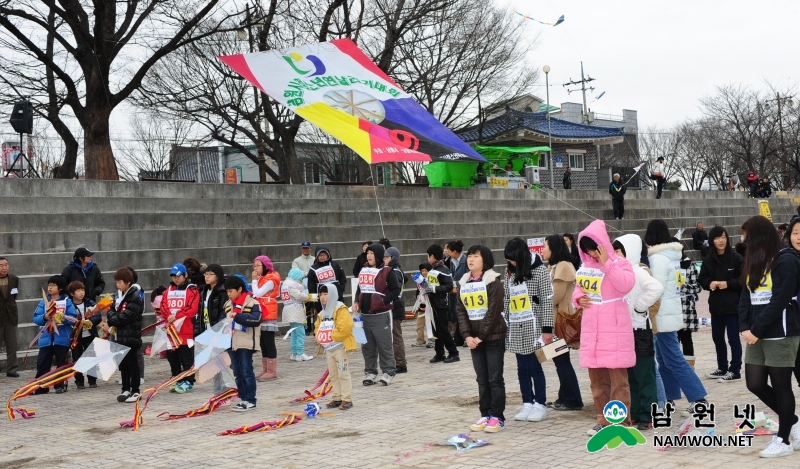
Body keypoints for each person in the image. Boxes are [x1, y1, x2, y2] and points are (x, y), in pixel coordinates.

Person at [737, 215, 800, 457]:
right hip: (756, 334)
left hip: (781, 333)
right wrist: (745, 326)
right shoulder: (754, 259)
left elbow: (780, 300)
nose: (745, 240)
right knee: (754, 383)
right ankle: (792, 420)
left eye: (747, 236)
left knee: (782, 385)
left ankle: (783, 440)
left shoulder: (786, 260)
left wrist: (756, 329)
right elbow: (745, 296)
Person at [573, 220, 635, 435]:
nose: (591, 252)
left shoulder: (620, 263)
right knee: (597, 381)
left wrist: (607, 263)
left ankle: (620, 422)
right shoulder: (586, 268)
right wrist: (578, 299)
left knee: (618, 380)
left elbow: (626, 285)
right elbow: (578, 289)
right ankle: (602, 418)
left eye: (593, 247)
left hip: (614, 327)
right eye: (586, 249)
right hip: (592, 328)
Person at [645, 219, 708, 417]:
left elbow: (655, 289)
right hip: (669, 311)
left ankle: (699, 400)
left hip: (662, 314)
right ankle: (669, 398)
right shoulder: (670, 256)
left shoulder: (657, 259)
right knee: (665, 360)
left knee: (674, 359)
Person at [613, 235, 664, 431]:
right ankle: (634, 412)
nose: (616, 255)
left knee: (645, 375)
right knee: (631, 375)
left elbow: (656, 288)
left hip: (640, 331)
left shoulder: (638, 271)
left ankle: (647, 414)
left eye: (619, 251)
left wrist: (640, 308)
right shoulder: (619, 272)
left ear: (630, 251)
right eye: (615, 251)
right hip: (624, 331)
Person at [502, 238, 554, 424]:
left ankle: (540, 403)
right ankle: (527, 402)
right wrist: (505, 321)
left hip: (535, 326)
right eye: (509, 260)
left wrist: (547, 329)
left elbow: (547, 300)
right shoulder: (509, 272)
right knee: (521, 368)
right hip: (516, 325)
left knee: (534, 366)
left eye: (514, 259)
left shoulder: (540, 271)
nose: (512, 263)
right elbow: (507, 297)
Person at [457, 245, 507, 433]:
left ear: (484, 260)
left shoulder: (493, 281)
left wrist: (480, 336)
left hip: (493, 337)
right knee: (482, 379)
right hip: (473, 339)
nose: (470, 259)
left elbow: (493, 312)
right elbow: (461, 312)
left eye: (475, 256)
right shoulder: (463, 282)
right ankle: (485, 414)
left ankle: (497, 416)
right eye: (469, 256)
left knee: (495, 378)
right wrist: (467, 336)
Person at [541, 235, 584, 412]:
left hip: (560, 322)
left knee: (562, 361)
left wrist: (538, 300)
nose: (542, 250)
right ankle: (564, 396)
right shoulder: (555, 266)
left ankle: (573, 399)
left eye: (545, 247)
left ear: (554, 248)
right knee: (560, 361)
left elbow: (554, 296)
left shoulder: (564, 266)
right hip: (553, 321)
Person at [698, 226, 744, 382]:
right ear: (712, 241)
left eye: (723, 237)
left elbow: (744, 280)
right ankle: (722, 367)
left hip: (733, 306)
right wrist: (710, 284)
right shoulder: (708, 260)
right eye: (717, 238)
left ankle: (735, 369)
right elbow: (702, 280)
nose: (721, 241)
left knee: (733, 339)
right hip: (716, 306)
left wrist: (728, 284)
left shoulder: (737, 258)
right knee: (717, 338)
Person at [353, 243, 400, 385]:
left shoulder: (387, 271)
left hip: (381, 314)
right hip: (365, 316)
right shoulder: (364, 270)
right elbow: (359, 289)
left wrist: (384, 300)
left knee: (384, 345)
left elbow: (395, 290)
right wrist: (356, 301)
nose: (369, 256)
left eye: (372, 253)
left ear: (379, 255)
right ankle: (370, 373)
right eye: (368, 253)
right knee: (367, 346)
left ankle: (388, 372)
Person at [224, 275, 263, 412]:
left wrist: (238, 317)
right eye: (227, 292)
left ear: (239, 289)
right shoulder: (228, 305)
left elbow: (256, 319)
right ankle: (242, 398)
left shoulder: (252, 303)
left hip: (245, 343)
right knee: (237, 372)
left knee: (247, 372)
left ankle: (251, 400)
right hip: (231, 343)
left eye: (231, 291)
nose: (229, 294)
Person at [32, 276, 77, 394]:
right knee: (42, 362)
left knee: (61, 363)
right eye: (49, 285)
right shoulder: (43, 301)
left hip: (61, 338)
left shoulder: (67, 301)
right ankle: (42, 386)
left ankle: (59, 385)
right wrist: (44, 317)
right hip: (46, 338)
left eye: (53, 285)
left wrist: (61, 319)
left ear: (60, 288)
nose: (50, 287)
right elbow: (35, 318)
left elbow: (73, 318)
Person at [105, 268, 143, 403]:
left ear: (128, 282)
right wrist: (113, 317)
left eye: (120, 282)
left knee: (133, 364)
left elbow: (126, 316)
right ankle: (125, 389)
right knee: (123, 364)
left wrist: (113, 318)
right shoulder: (117, 296)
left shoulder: (134, 297)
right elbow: (110, 311)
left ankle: (136, 390)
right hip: (119, 336)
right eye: (116, 282)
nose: (118, 285)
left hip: (131, 335)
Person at [315, 284, 356, 410]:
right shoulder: (322, 313)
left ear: (332, 294)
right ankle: (337, 397)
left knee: (343, 373)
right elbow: (317, 327)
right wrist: (320, 337)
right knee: (333, 375)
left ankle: (347, 399)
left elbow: (346, 326)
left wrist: (332, 336)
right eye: (321, 294)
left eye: (325, 294)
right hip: (329, 349)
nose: (322, 297)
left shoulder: (340, 309)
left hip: (340, 347)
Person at [160, 263, 200, 393]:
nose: (176, 279)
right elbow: (163, 306)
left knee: (187, 357)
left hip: (186, 330)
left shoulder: (192, 290)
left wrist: (176, 316)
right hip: (172, 330)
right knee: (173, 356)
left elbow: (191, 309)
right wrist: (169, 316)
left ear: (185, 275)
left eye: (178, 276)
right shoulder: (168, 290)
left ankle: (188, 381)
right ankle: (177, 378)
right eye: (173, 276)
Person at [193, 263, 230, 395]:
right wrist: (198, 332)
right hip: (207, 332)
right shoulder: (204, 291)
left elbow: (224, 314)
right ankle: (218, 391)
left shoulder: (223, 292)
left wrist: (218, 331)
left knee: (222, 363)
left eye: (210, 274)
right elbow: (200, 313)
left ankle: (224, 392)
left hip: (219, 333)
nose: (207, 277)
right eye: (206, 274)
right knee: (213, 364)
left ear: (218, 276)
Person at [425, 244, 460, 364]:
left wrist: (434, 289)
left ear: (432, 256)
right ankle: (439, 353)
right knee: (436, 330)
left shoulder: (444, 270)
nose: (427, 258)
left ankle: (454, 352)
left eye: (428, 256)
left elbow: (449, 286)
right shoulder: (433, 270)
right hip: (433, 304)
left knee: (443, 330)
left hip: (442, 304)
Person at [251, 255, 281, 381]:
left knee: (269, 342)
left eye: (258, 265)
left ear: (265, 266)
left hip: (268, 312)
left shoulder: (270, 279)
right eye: (254, 265)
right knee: (262, 342)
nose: (255, 268)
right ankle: (265, 369)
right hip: (262, 311)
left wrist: (253, 280)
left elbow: (257, 293)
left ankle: (272, 371)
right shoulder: (262, 278)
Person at [307, 245, 348, 335]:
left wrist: (341, 288)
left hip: (336, 295)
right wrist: (314, 299)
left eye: (324, 255)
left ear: (328, 255)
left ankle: (338, 331)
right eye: (320, 255)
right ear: (317, 256)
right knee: (323, 315)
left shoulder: (335, 265)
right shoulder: (313, 268)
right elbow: (311, 285)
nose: (322, 257)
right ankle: (324, 333)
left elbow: (342, 277)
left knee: (337, 312)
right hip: (322, 297)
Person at [68, 281, 100, 389]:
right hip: (76, 337)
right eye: (78, 291)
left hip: (90, 335)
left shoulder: (89, 302)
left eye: (83, 290)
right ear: (72, 293)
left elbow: (98, 316)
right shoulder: (69, 305)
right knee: (77, 358)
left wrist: (90, 321)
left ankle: (92, 380)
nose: (81, 293)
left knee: (91, 357)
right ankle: (79, 380)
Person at [385, 247, 408, 373]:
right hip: (394, 307)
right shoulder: (393, 270)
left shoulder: (394, 271)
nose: (384, 259)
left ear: (393, 258)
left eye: (386, 257)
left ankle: (401, 363)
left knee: (396, 337)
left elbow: (396, 289)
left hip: (395, 307)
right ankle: (397, 361)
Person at [677, 248, 701, 369]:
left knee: (686, 338)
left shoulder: (690, 266)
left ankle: (689, 368)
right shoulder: (667, 265)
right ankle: (675, 367)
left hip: (686, 307)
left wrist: (683, 286)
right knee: (673, 340)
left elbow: (698, 287)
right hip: (672, 309)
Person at [283, 268, 313, 362]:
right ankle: (300, 353)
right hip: (295, 310)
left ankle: (294, 353)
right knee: (300, 333)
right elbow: (299, 296)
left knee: (294, 333)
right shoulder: (291, 285)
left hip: (289, 309)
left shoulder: (285, 284)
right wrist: (309, 297)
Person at [445, 240, 467, 347]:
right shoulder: (451, 261)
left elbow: (467, 277)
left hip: (465, 292)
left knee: (465, 315)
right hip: (456, 292)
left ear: (454, 251)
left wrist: (455, 284)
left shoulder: (465, 260)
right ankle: (460, 337)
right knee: (459, 314)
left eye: (448, 250)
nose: (446, 252)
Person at [0, 257, 20, 378]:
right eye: (1, 265)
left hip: (10, 315)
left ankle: (12, 369)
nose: (4, 267)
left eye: (6, 265)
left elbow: (14, 296)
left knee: (12, 344)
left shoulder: (14, 279)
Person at [412, 262, 435, 349]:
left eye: (426, 270)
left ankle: (432, 340)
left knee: (430, 324)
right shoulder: (419, 282)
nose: (424, 272)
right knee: (419, 324)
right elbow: (417, 291)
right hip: (422, 305)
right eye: (422, 271)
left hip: (430, 305)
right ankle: (420, 340)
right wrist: (418, 296)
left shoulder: (432, 280)